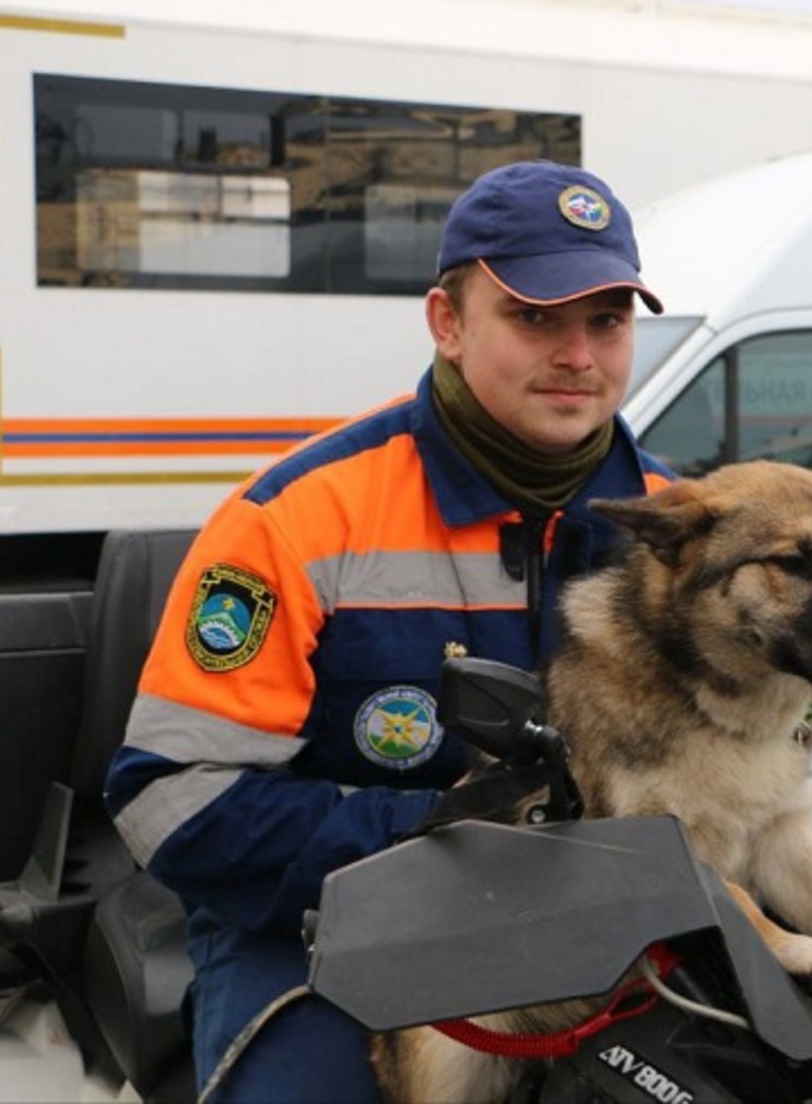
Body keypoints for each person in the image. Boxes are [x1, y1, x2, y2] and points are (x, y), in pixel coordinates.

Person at [104, 160, 674, 1102]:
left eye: (607, 321)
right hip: (319, 937)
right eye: (536, 317)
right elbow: (171, 800)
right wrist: (441, 830)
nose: (579, 354)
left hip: (597, 928)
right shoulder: (296, 518)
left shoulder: (677, 524)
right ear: (447, 324)